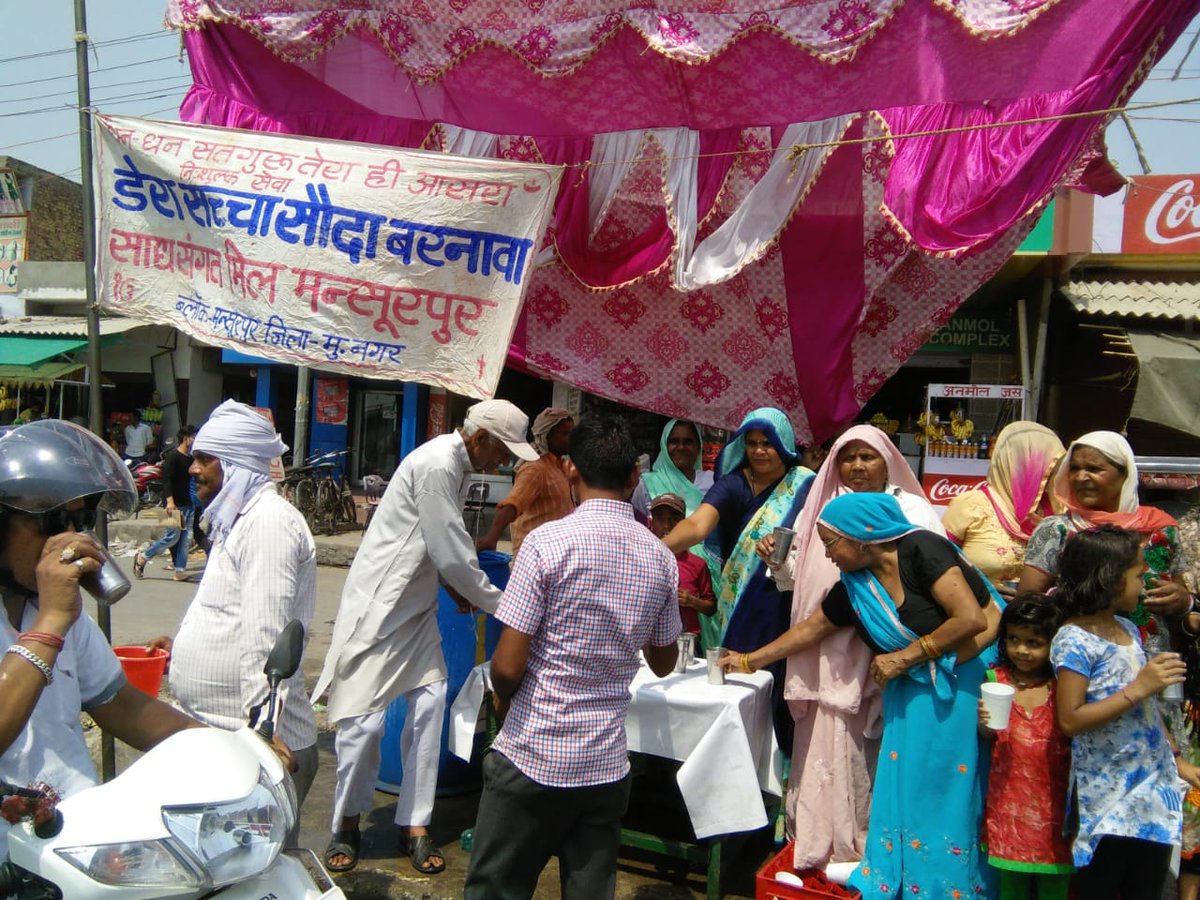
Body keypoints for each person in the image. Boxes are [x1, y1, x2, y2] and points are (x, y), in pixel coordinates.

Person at [720, 491, 1001, 898]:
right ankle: (910, 881)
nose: (828, 554)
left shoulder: (922, 548)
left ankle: (949, 887)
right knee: (904, 790)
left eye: (831, 542)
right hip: (907, 698)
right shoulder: (855, 588)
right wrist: (748, 660)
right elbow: (810, 630)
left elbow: (971, 618)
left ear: (863, 536)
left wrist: (906, 657)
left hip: (954, 692)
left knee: (946, 792)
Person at [312, 399, 536, 876]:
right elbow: (451, 550)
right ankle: (346, 823)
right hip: (380, 608)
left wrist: (457, 587)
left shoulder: (456, 465)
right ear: (480, 439)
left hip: (415, 609)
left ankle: (414, 822)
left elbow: (437, 547)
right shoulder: (438, 464)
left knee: (430, 707)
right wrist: (502, 604)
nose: (504, 462)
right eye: (502, 451)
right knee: (361, 726)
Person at [464, 416, 681, 899]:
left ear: (569, 471)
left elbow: (505, 667)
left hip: (533, 753)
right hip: (604, 766)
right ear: (633, 479)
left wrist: (503, 699)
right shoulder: (661, 558)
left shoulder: (545, 543)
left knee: (495, 889)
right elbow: (664, 661)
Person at [0, 419, 201, 857]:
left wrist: (221, 744)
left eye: (80, 520)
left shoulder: (56, 612)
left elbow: (121, 706)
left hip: (70, 842)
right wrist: (51, 622)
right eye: (51, 520)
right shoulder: (54, 614)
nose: (68, 539)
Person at [759, 423, 946, 870]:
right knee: (821, 741)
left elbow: (935, 580)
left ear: (889, 462)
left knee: (873, 742)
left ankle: (869, 844)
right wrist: (776, 560)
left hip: (882, 649)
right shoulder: (820, 505)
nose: (858, 466)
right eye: (848, 457)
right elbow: (796, 582)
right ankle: (817, 844)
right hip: (822, 646)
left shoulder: (914, 510)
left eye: (868, 457)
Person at [145, 401, 318, 848]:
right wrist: (179, 650)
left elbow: (268, 639)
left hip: (256, 746)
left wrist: (263, 736)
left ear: (238, 464)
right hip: (225, 740)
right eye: (195, 458)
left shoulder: (267, 523)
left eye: (206, 460)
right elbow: (231, 613)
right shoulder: (238, 521)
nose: (193, 469)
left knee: (254, 879)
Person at [1050, 525, 1194, 899]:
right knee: (1103, 886)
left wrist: (1180, 764)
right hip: (1107, 794)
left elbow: (1147, 713)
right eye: (1138, 574)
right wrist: (1139, 688)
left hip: (1151, 790)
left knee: (1145, 887)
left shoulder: (1129, 629)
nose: (1144, 582)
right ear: (1110, 579)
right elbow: (1070, 718)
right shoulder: (1074, 638)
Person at [663, 407, 814, 658]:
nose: (758, 451)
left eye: (768, 443)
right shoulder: (733, 484)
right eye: (752, 443)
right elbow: (697, 525)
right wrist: (657, 546)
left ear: (784, 443)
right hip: (738, 595)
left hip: (785, 596)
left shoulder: (804, 484)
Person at [977, 593, 1073, 900]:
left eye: (1033, 642)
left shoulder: (1063, 686)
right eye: (1014, 639)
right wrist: (983, 725)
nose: (1021, 649)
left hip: (1055, 810)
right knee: (1012, 889)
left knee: (1055, 887)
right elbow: (987, 738)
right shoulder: (996, 680)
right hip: (1010, 807)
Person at [943, 421, 1065, 591]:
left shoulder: (1058, 511)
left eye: (1053, 468)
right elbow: (939, 566)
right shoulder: (972, 504)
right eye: (1040, 468)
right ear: (1012, 465)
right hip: (980, 610)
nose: (1048, 475)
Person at [475, 407, 574, 559]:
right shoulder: (535, 469)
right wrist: (491, 537)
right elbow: (512, 504)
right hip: (534, 556)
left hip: (557, 554)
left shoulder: (561, 466)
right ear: (546, 436)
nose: (570, 439)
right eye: (565, 434)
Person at [648, 492, 715, 639]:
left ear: (684, 522)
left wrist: (692, 601)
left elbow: (711, 608)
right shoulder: (641, 558)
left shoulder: (697, 563)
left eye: (675, 519)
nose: (667, 525)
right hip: (649, 638)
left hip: (686, 639)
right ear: (651, 522)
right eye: (660, 518)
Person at [134, 425, 196, 582]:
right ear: (186, 438)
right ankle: (143, 557)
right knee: (172, 538)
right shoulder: (173, 457)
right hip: (173, 504)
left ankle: (180, 570)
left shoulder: (191, 459)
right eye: (193, 437)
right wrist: (169, 502)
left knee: (185, 539)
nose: (195, 440)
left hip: (188, 504)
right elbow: (166, 481)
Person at [632, 418, 716, 517]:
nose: (681, 447)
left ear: (698, 447)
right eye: (674, 441)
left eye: (688, 442)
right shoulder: (646, 484)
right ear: (664, 446)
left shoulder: (712, 482)